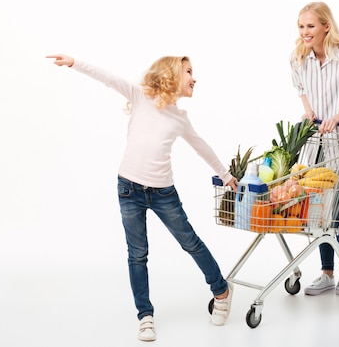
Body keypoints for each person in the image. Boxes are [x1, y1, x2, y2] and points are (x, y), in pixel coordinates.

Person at [45, 54, 237, 341]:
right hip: (129, 189)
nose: (194, 78)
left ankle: (221, 290)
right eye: (188, 71)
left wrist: (225, 174)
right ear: (172, 74)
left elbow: (201, 146)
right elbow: (106, 77)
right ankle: (145, 316)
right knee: (137, 254)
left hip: (163, 193)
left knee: (190, 242)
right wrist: (75, 63)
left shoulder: (180, 117)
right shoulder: (139, 95)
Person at [289, 2, 339, 297]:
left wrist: (337, 117)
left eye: (310, 26)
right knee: (318, 207)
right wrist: (309, 112)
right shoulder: (298, 58)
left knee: (338, 207)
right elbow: (302, 90)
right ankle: (326, 272)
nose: (305, 32)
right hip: (314, 141)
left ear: (326, 27)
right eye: (301, 26)